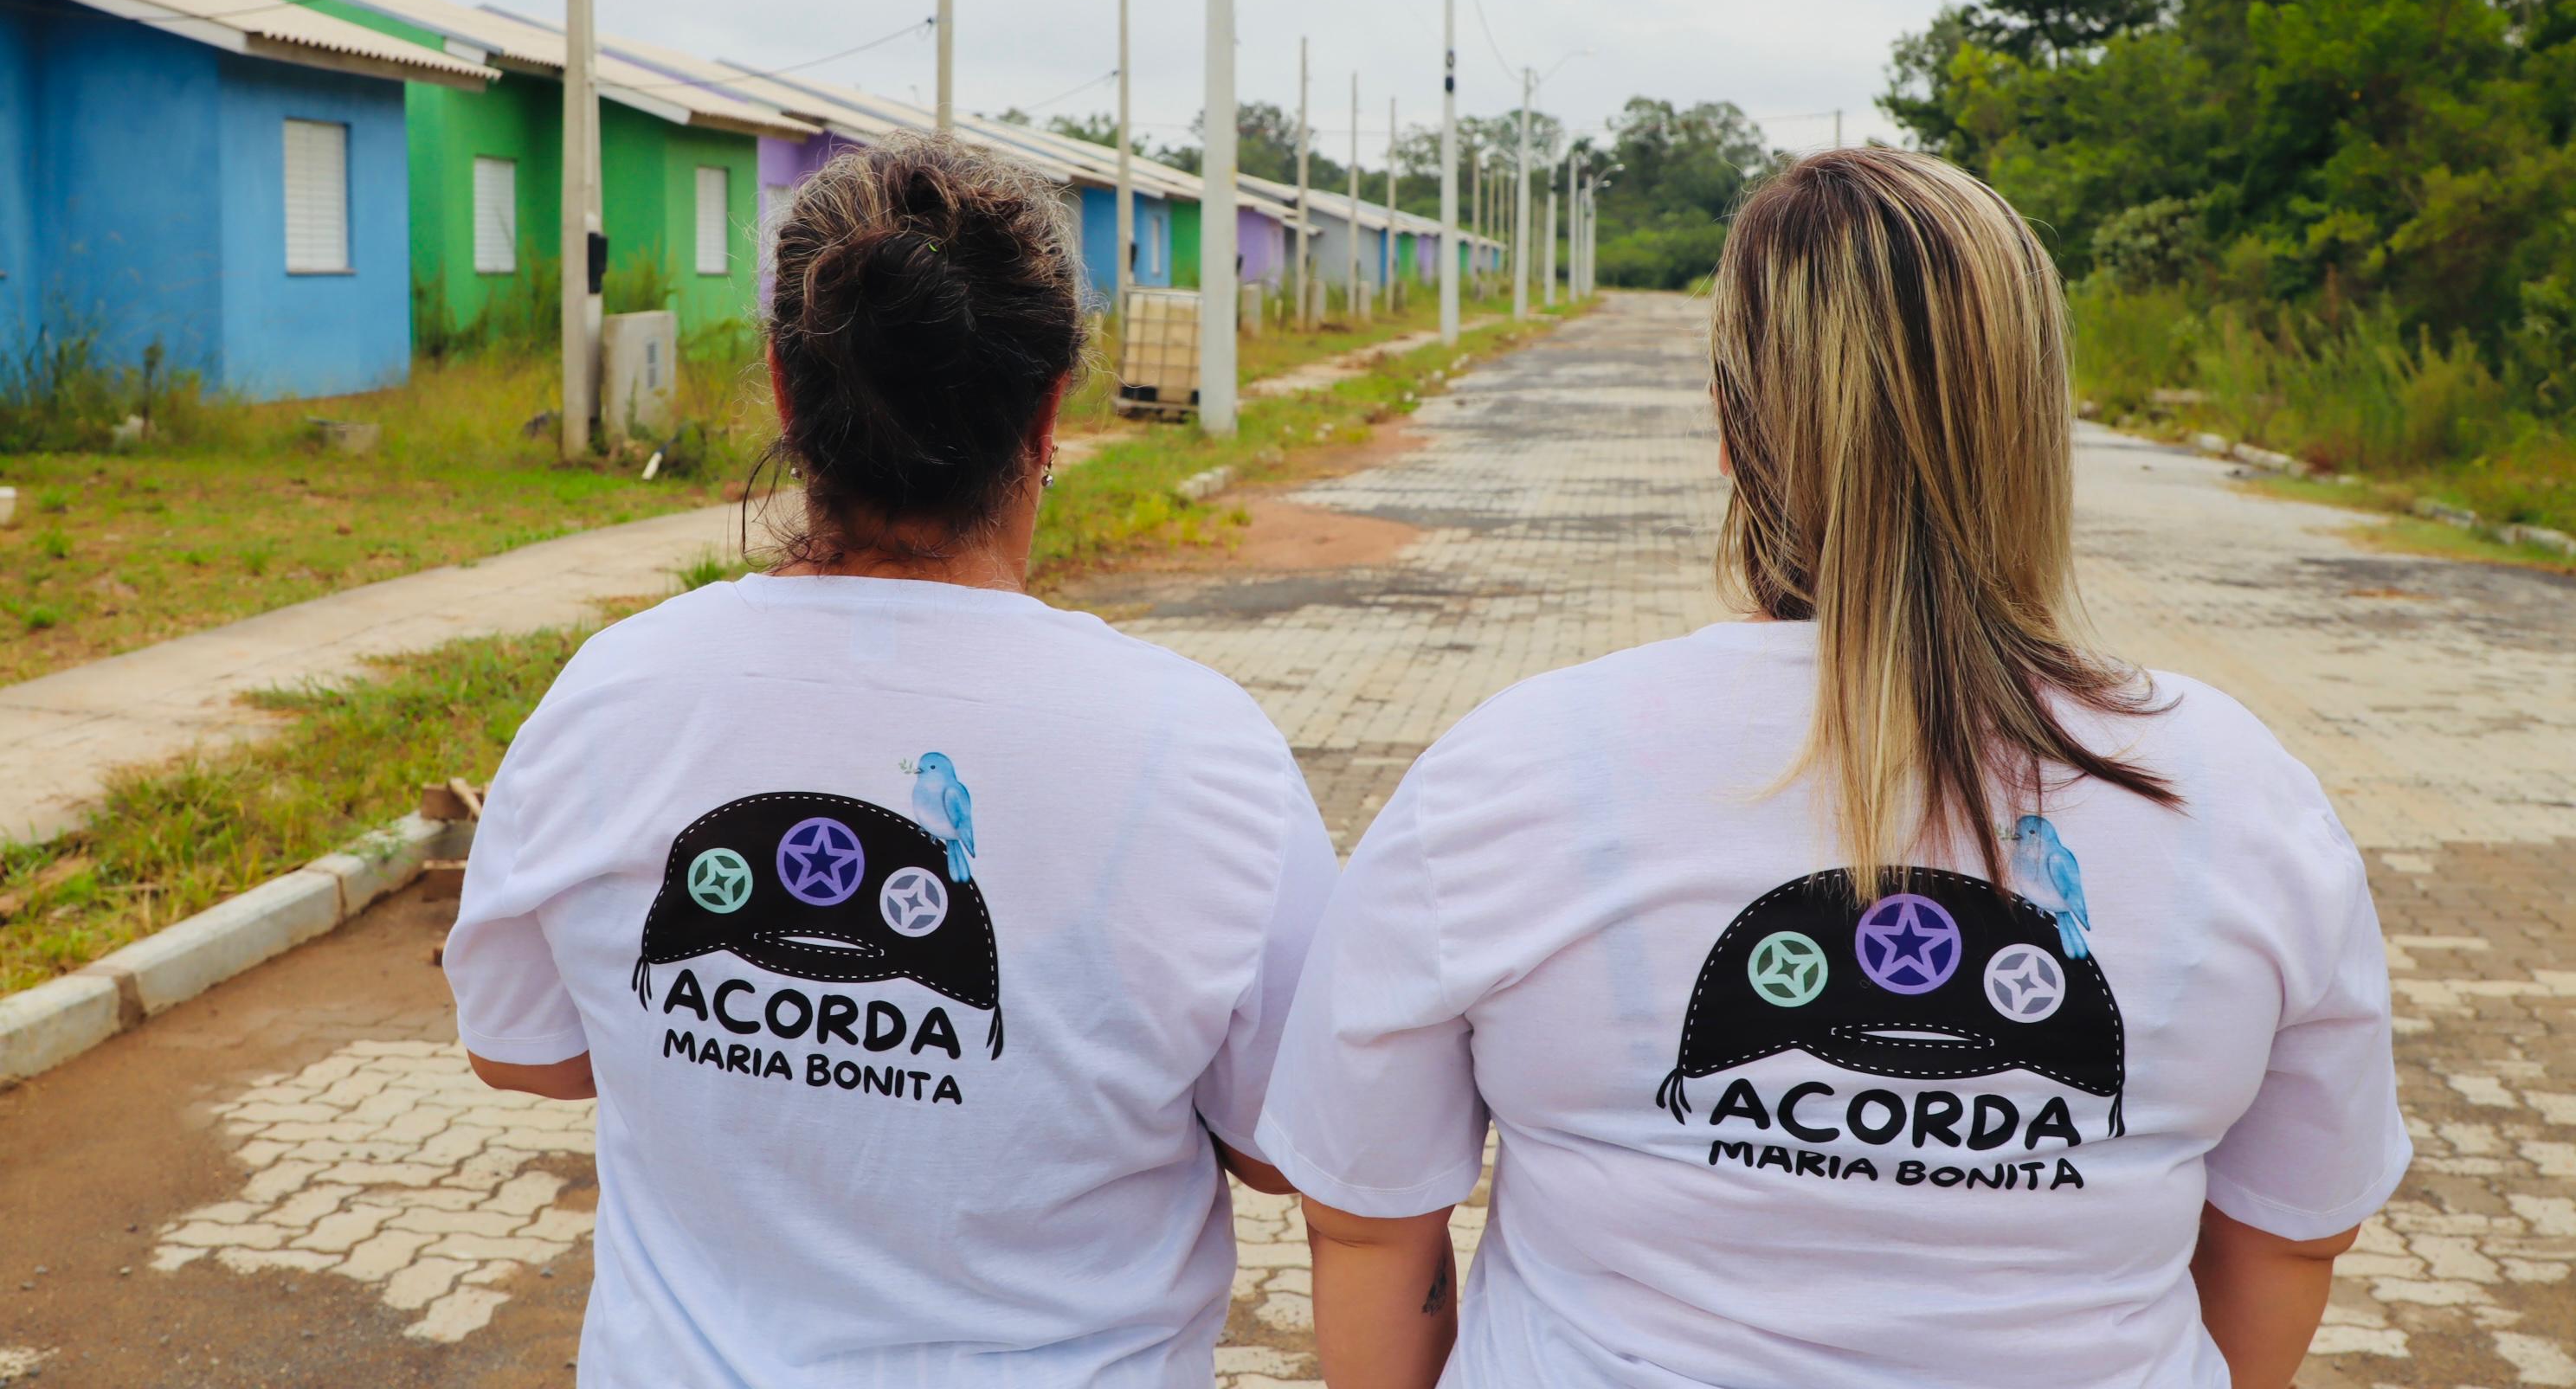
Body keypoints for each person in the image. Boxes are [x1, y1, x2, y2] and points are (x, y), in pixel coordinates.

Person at [1255, 147, 2409, 1389]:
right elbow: (2293, 1234)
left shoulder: (1511, 770)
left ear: (1730, 426)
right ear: (2039, 425)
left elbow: (1367, 1221)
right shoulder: (2239, 794)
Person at [446, 137, 1337, 1387]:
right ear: (1049, 411)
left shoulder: (613, 695)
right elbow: (1293, 1145)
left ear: (783, 386)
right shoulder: (1203, 753)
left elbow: (522, 1052)